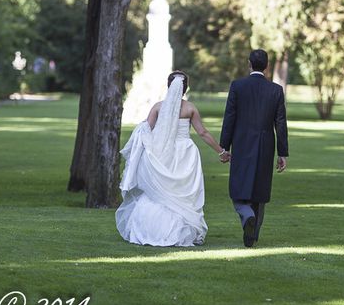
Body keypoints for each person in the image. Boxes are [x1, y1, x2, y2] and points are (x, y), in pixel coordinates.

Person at [115, 71, 228, 247]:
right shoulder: (190, 108)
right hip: (185, 154)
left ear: (168, 86)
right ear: (186, 88)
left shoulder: (158, 107)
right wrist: (221, 152)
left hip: (162, 153)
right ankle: (179, 230)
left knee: (158, 191)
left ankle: (150, 229)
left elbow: (145, 130)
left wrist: (146, 151)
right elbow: (203, 133)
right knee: (180, 192)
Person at [219, 49, 289, 247]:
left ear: (249, 63)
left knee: (237, 187)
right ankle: (251, 237)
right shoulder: (275, 90)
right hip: (266, 144)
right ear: (266, 66)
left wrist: (224, 146)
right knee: (260, 190)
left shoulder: (237, 86)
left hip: (241, 143)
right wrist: (282, 153)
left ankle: (246, 214)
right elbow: (281, 123)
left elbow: (229, 118)